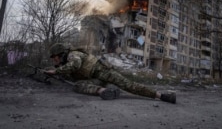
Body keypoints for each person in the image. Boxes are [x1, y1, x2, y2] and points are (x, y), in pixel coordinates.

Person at [44, 43, 176, 104]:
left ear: (60, 53)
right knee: (78, 85)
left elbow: (75, 65)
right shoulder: (65, 62)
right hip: (96, 78)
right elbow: (72, 73)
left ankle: (162, 96)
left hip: (104, 72)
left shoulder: (73, 55)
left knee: (130, 86)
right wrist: (55, 71)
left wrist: (56, 71)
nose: (54, 59)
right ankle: (105, 91)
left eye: (54, 56)